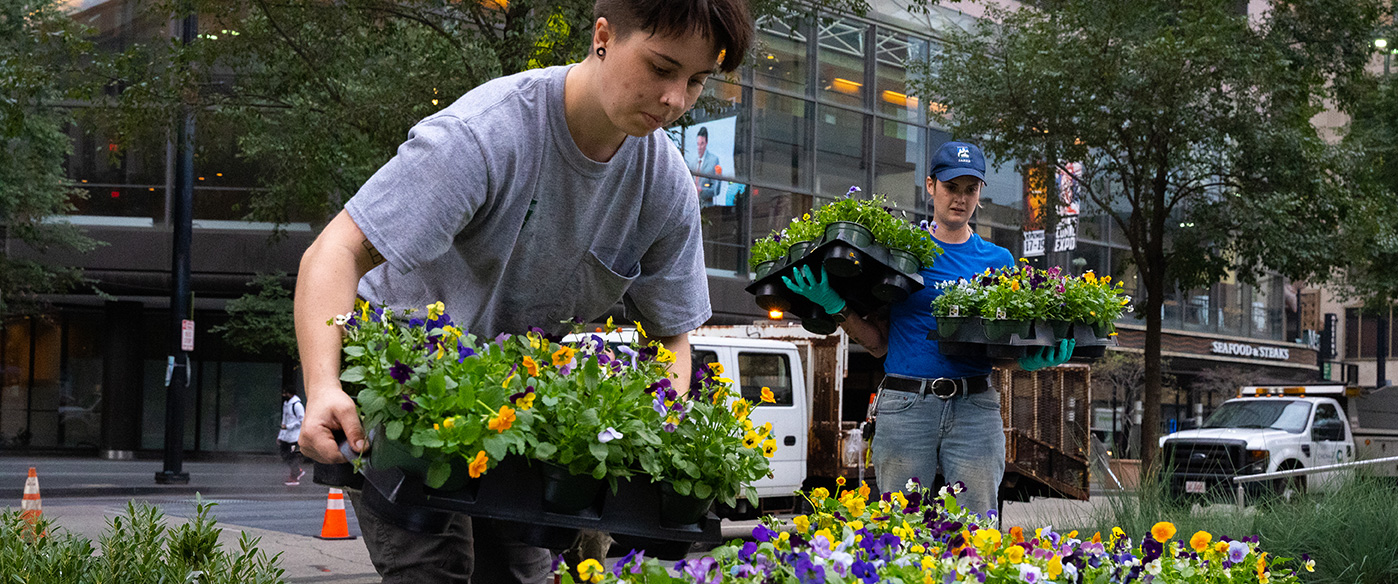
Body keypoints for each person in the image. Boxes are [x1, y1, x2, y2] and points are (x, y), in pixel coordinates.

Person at [292, 1, 753, 583]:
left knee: (522, 573)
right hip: (404, 383)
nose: (676, 100)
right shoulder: (484, 135)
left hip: (515, 399)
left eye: (695, 81)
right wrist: (323, 386)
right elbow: (332, 253)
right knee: (436, 570)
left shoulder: (663, 183)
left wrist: (653, 435)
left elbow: (672, 340)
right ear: (603, 37)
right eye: (662, 69)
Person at [783, 141, 1073, 515]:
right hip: (906, 405)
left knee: (976, 528)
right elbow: (878, 343)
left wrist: (1028, 360)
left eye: (971, 189)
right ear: (931, 185)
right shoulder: (903, 253)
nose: (961, 198)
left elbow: (997, 352)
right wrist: (836, 306)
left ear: (980, 193)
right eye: (952, 187)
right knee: (902, 528)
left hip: (975, 409)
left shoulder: (998, 261)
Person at [278, 389, 306, 486]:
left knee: (292, 456)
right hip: (286, 436)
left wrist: (289, 426)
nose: (283, 395)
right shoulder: (286, 404)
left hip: (294, 436)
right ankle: (297, 471)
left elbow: (302, 420)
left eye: (285, 393)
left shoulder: (297, 405)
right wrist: (280, 435)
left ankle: (295, 475)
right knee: (284, 454)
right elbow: (284, 421)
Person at [692, 126, 723, 205]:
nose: (699, 147)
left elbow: (716, 189)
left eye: (702, 144)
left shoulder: (713, 160)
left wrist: (701, 191)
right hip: (692, 204)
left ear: (706, 143)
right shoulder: (693, 163)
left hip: (706, 207)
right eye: (698, 144)